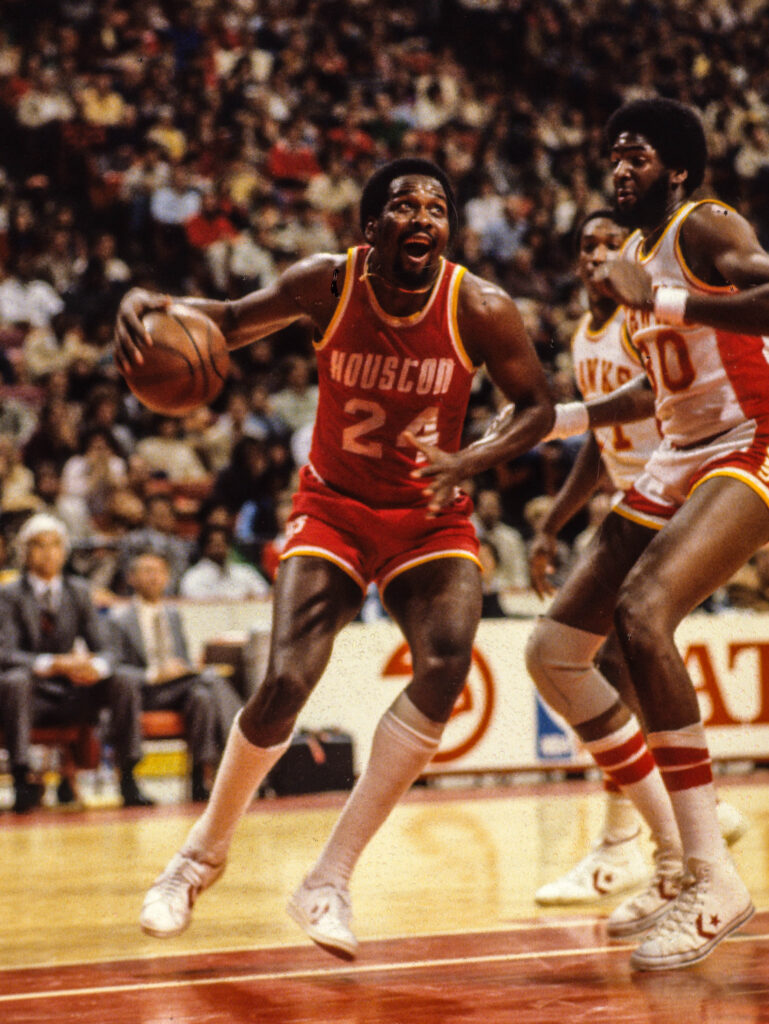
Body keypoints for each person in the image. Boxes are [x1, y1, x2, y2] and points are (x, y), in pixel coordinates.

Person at [114, 157, 554, 957]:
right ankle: (195, 859)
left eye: (436, 206)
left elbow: (537, 406)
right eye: (402, 205)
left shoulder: (480, 306)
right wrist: (153, 304)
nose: (422, 216)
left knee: (446, 663)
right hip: (335, 509)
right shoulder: (326, 283)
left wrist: (471, 459)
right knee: (285, 678)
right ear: (369, 228)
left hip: (428, 515)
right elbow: (227, 318)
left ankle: (329, 879)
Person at [416, 99, 769, 971]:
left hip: (752, 438)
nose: (619, 166)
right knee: (555, 651)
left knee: (644, 614)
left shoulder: (704, 225)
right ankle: (666, 850)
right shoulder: (631, 257)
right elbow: (651, 394)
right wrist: (518, 434)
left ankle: (714, 876)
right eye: (612, 154)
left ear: (678, 168)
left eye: (637, 154)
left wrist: (674, 297)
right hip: (679, 450)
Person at [524, 210, 747, 907]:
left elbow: (643, 406)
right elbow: (606, 428)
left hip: (705, 474)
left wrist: (560, 419)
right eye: (582, 245)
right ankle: (664, 843)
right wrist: (550, 522)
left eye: (604, 242)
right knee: (585, 657)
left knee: (628, 642)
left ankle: (654, 847)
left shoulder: (650, 293)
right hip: (651, 486)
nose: (594, 254)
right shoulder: (592, 329)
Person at [0, 512, 152, 812]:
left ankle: (129, 777)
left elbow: (109, 649)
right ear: (24, 552)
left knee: (124, 677)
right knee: (14, 680)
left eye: (55, 544)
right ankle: (21, 779)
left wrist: (93, 667)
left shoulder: (79, 591)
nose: (48, 551)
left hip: (75, 692)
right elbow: (5, 653)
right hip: (32, 693)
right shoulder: (8, 594)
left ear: (64, 550)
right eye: (38, 545)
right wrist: (54, 663)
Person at [109, 550, 242, 803]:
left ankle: (198, 779)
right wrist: (156, 674)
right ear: (131, 578)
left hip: (178, 689)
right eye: (147, 571)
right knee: (212, 679)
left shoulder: (173, 615)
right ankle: (240, 753)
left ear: (168, 577)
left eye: (159, 572)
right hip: (141, 691)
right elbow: (114, 667)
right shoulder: (119, 619)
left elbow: (182, 657)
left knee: (203, 695)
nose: (154, 577)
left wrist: (184, 667)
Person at [178, 523, 271, 601]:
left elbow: (264, 593)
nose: (220, 549)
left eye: (224, 544)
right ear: (204, 548)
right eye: (216, 545)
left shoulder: (244, 571)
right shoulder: (193, 577)